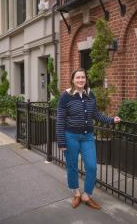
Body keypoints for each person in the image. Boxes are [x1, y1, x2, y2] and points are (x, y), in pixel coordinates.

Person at [56, 68, 120, 210]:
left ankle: (87, 195)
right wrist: (61, 141)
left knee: (91, 166)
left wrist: (110, 120)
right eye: (77, 77)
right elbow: (60, 120)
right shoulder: (65, 96)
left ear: (86, 79)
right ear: (72, 79)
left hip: (87, 137)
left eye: (83, 77)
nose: (80, 80)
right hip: (70, 136)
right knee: (72, 166)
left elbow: (95, 114)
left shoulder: (90, 95)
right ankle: (77, 193)